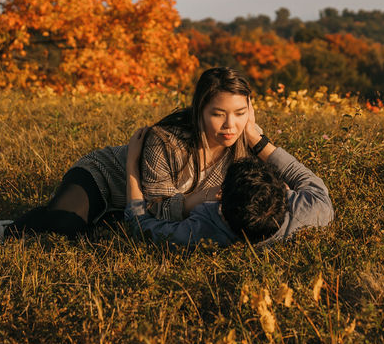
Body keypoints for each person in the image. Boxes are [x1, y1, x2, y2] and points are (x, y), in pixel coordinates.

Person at [0, 67, 260, 242]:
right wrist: (199, 199)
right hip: (104, 178)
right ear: (199, 111)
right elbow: (155, 210)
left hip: (128, 205)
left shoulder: (243, 147)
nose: (229, 125)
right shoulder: (166, 142)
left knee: (96, 238)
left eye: (239, 113)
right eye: (218, 114)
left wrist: (260, 140)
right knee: (64, 227)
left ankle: (104, 220)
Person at [123, 101, 334, 248]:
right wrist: (254, 136)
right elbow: (297, 174)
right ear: (284, 192)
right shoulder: (310, 210)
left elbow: (140, 225)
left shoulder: (204, 230)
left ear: (219, 203)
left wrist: (132, 162)